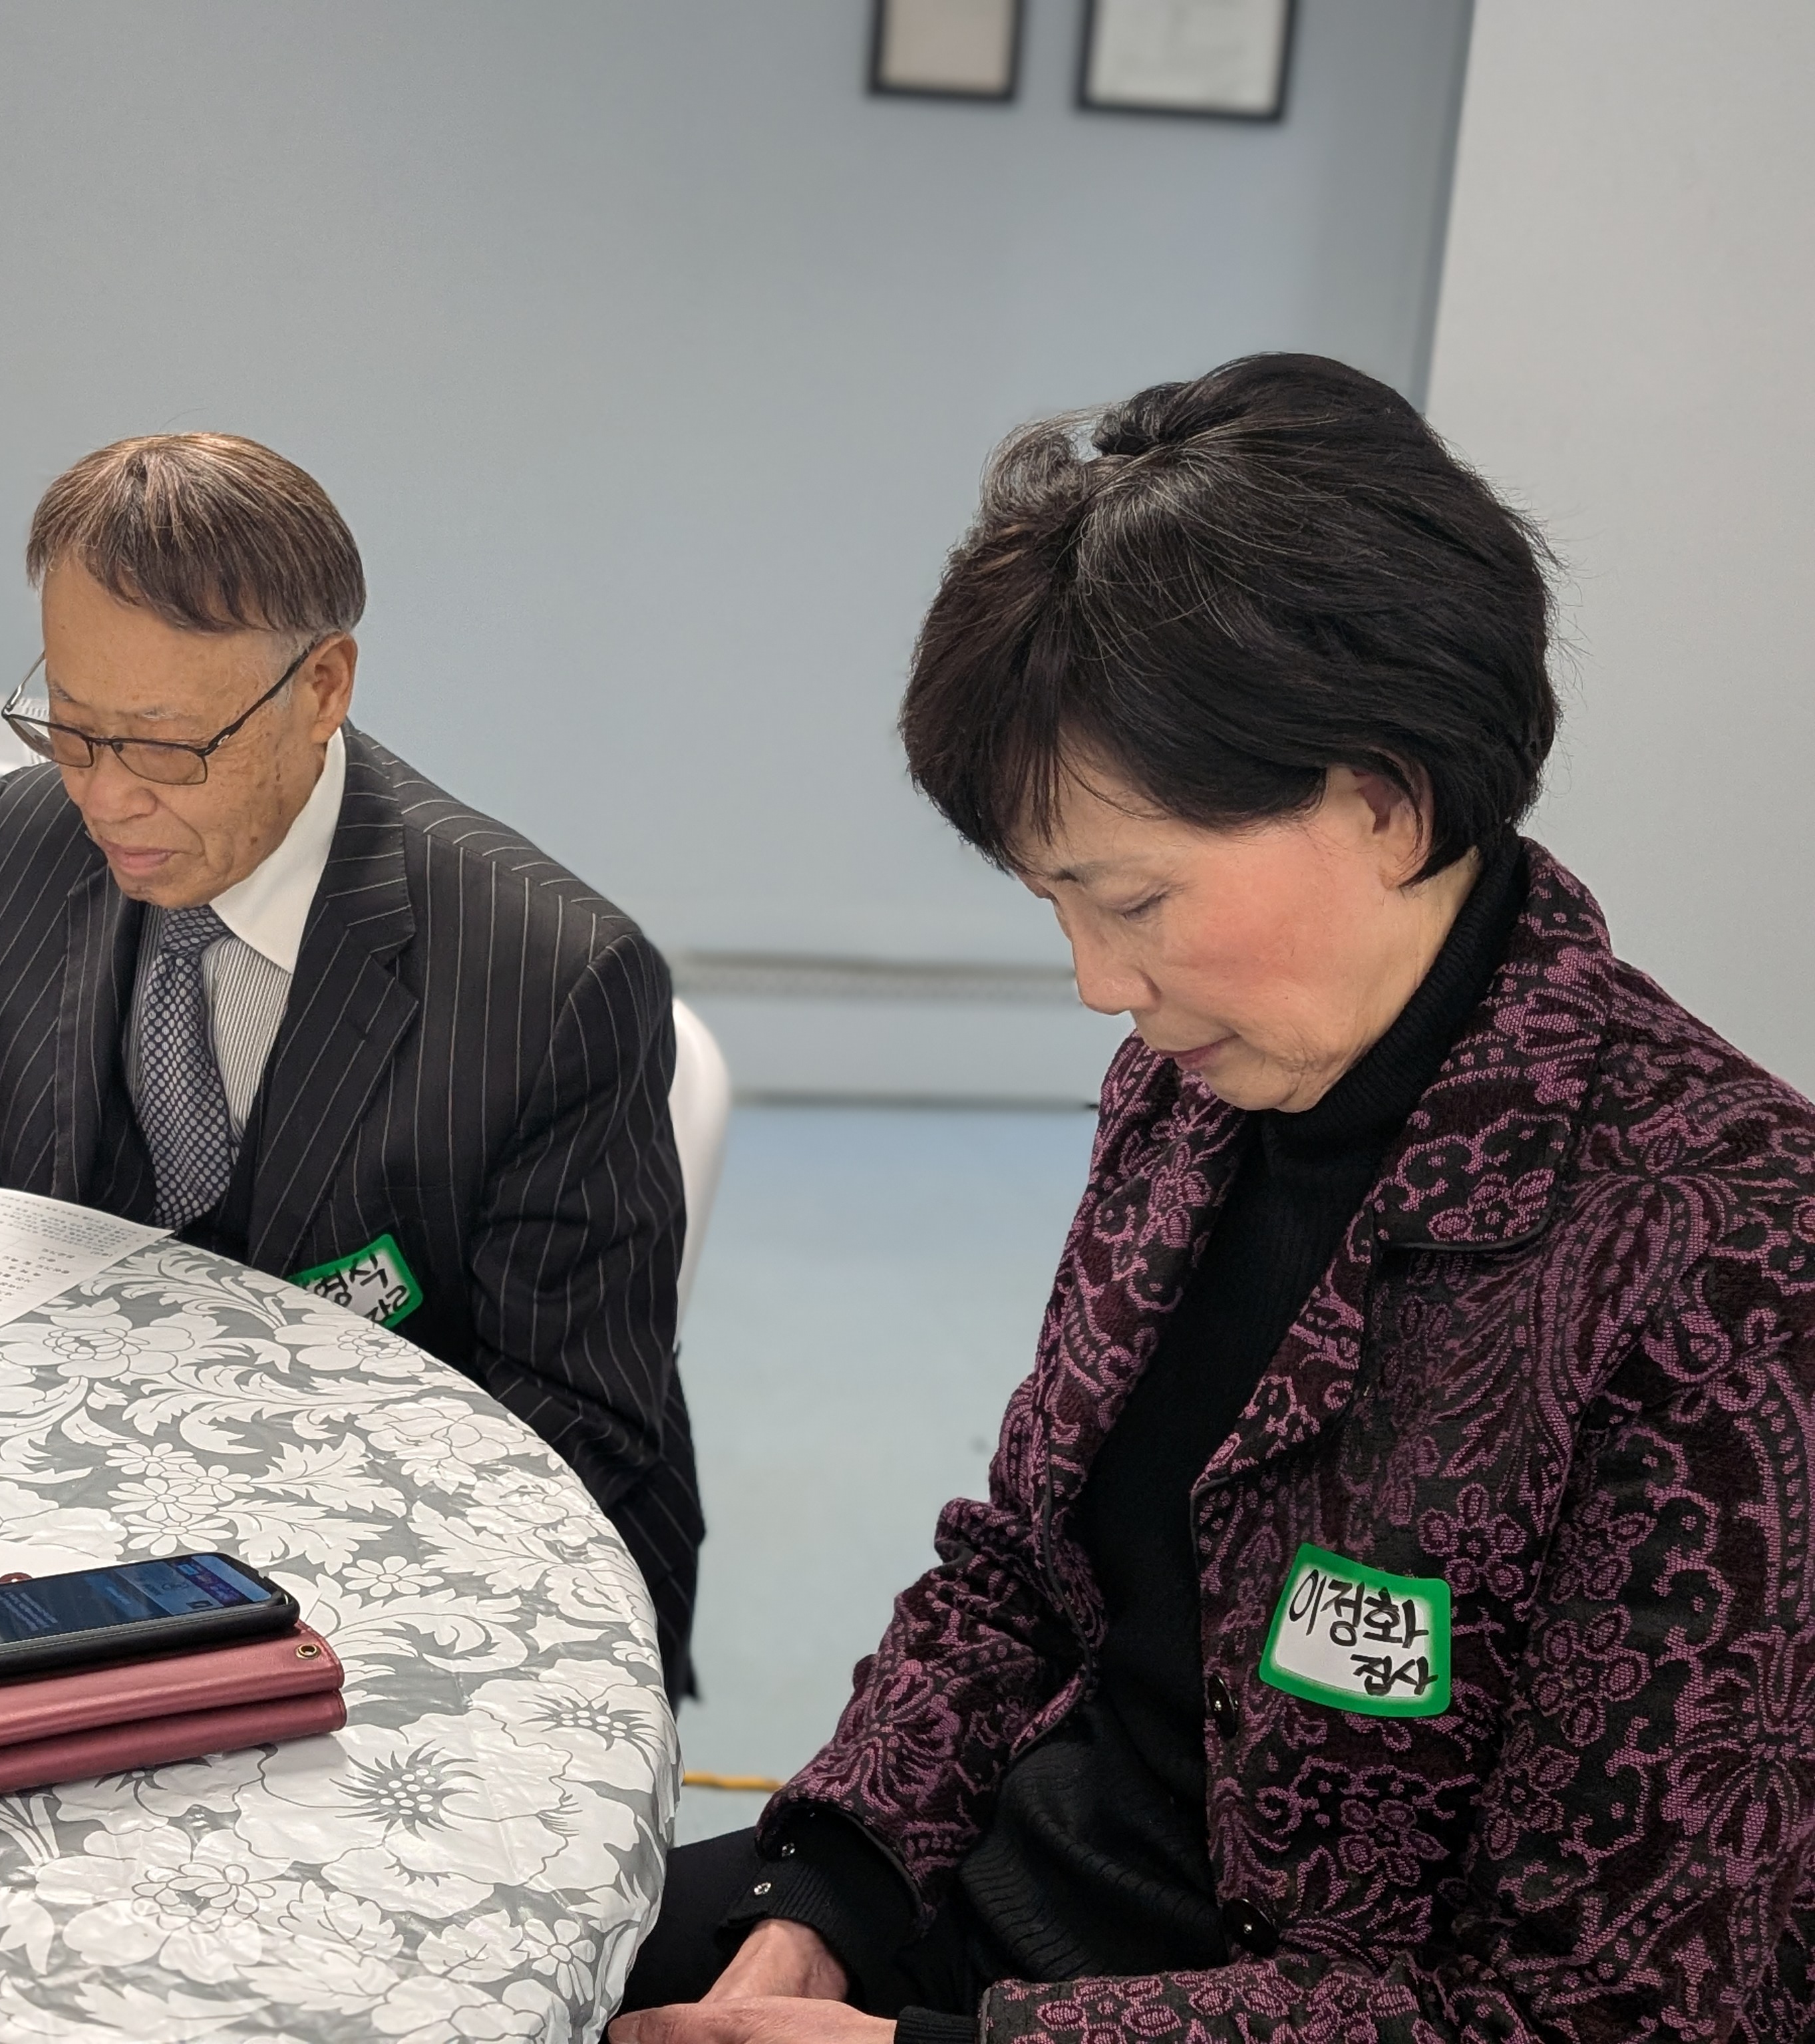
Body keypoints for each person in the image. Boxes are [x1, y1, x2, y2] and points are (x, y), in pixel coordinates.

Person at [614, 355, 1815, 2040]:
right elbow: (1022, 1566)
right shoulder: (1199, 1086)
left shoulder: (1730, 1256)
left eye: (1135, 901)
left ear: (1384, 800)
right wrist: (825, 1892)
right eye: (1053, 903)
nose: (1098, 983)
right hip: (1001, 1895)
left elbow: (1605, 2011)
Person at [0, 433, 705, 1694]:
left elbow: (577, 1421)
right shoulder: (23, 845)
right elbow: (13, 1183)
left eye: (164, 746)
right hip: (102, 1501)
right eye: (70, 727)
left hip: (431, 1563)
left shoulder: (546, 976)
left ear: (322, 686)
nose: (105, 799)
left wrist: (240, 1572)